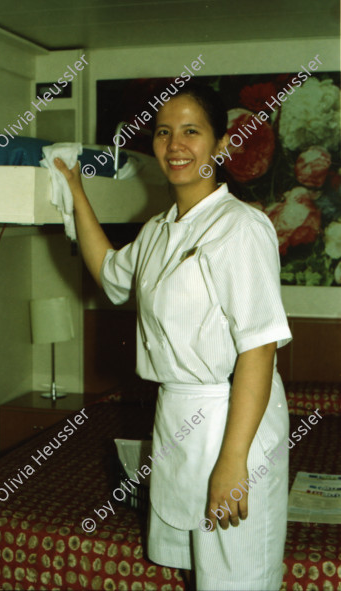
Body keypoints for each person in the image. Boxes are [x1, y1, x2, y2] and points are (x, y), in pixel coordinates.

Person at [54, 82, 292, 591]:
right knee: (197, 573)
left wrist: (233, 464)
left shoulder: (239, 228)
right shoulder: (160, 231)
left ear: (222, 144)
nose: (175, 144)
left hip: (236, 427)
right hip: (179, 423)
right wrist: (76, 192)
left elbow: (259, 348)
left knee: (238, 578)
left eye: (191, 131)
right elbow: (112, 274)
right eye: (164, 132)